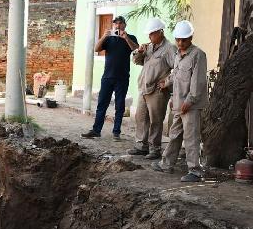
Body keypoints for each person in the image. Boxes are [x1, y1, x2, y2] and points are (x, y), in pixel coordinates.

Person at [152, 20, 208, 182]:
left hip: (191, 105)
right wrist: (168, 87)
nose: (180, 43)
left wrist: (189, 102)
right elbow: (175, 75)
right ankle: (166, 164)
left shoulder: (198, 55)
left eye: (184, 40)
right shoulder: (177, 55)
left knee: (191, 138)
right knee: (174, 134)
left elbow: (198, 82)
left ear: (191, 38)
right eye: (178, 40)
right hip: (178, 103)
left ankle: (195, 171)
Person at [81, 16, 139, 141]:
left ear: (124, 25)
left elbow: (136, 49)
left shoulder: (131, 38)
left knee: (119, 106)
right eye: (115, 24)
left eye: (120, 23)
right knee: (102, 104)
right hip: (107, 77)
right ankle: (96, 130)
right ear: (113, 25)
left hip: (122, 78)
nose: (118, 26)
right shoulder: (109, 38)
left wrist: (126, 38)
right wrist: (104, 36)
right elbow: (96, 49)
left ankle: (116, 132)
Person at [128, 18, 175, 159]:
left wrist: (167, 82)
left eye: (152, 34)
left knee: (156, 120)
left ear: (160, 32)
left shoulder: (169, 48)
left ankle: (155, 149)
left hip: (157, 90)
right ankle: (142, 146)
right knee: (141, 117)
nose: (149, 37)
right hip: (144, 87)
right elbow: (137, 62)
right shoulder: (148, 47)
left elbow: (178, 68)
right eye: (149, 34)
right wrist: (139, 52)